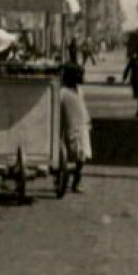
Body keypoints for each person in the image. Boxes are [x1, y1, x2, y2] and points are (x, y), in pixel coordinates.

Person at [59, 63, 92, 193]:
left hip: (82, 126)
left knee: (82, 157)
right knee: (70, 155)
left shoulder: (79, 90)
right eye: (80, 74)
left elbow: (82, 107)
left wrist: (87, 120)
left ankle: (76, 182)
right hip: (70, 127)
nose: (82, 77)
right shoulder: (62, 92)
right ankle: (67, 180)